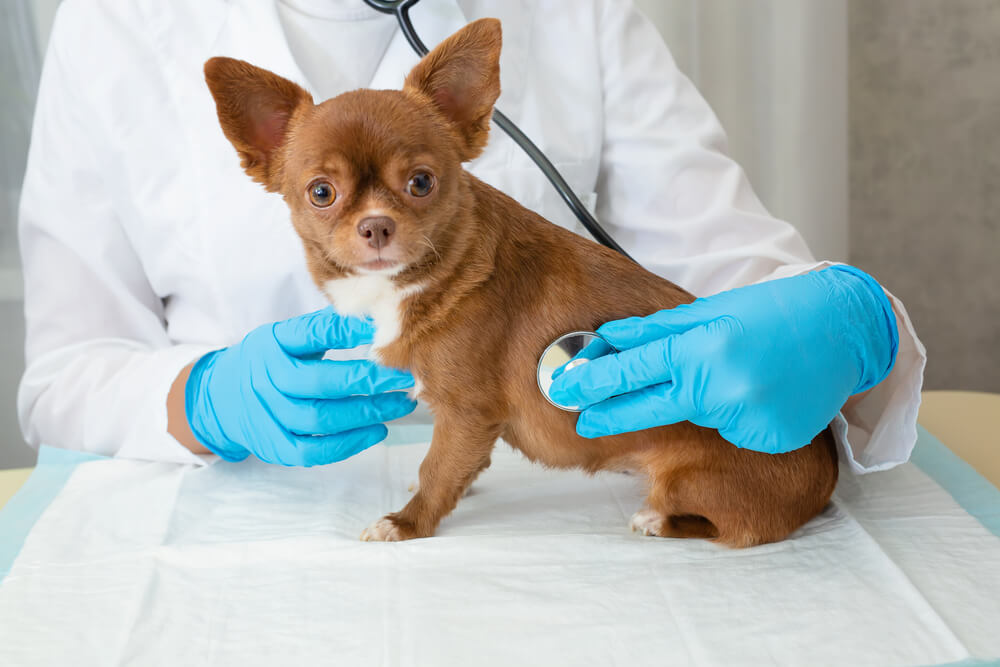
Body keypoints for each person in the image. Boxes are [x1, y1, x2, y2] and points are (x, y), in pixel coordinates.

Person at [17, 0, 924, 472]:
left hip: (551, 502)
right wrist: (202, 399)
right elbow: (66, 373)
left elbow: (736, 275)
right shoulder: (113, 26)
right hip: (234, 514)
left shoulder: (576, 14)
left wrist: (850, 325)